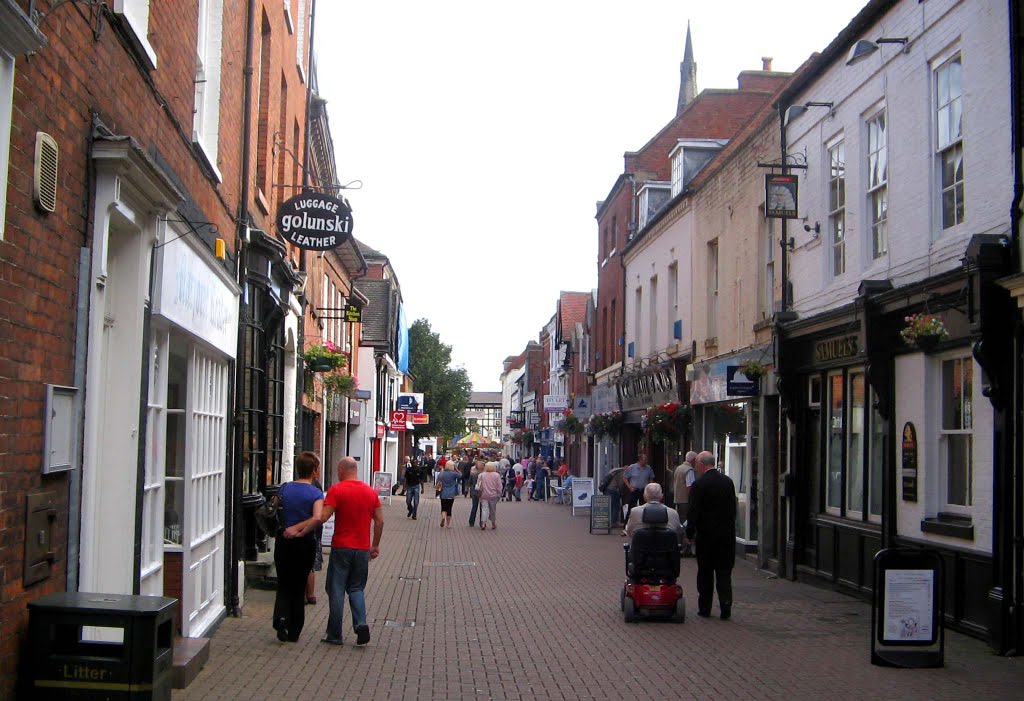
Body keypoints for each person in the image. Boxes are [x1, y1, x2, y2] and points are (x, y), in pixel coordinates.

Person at [289, 456, 383, 647]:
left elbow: (322, 517)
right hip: (362, 548)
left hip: (341, 547)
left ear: (341, 470)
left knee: (336, 589)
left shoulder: (337, 490)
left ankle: (334, 634)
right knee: (356, 588)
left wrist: (300, 528)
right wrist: (375, 545)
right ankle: (360, 623)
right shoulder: (370, 492)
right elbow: (380, 520)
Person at [272, 451, 324, 643]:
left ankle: (281, 619)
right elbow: (318, 517)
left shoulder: (284, 489)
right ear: (315, 471)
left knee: (284, 582)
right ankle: (294, 630)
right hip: (304, 544)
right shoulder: (316, 493)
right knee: (299, 584)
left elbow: (275, 509)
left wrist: (287, 528)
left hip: (283, 542)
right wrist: (302, 531)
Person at [685, 451, 738, 620]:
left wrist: (690, 532)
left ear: (701, 464)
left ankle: (705, 607)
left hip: (706, 536)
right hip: (726, 536)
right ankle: (726, 605)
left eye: (697, 466)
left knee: (705, 572)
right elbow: (733, 509)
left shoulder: (699, 484)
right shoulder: (728, 482)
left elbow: (693, 511)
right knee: (724, 572)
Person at [672, 451, 699, 556]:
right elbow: (690, 487)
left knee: (681, 523)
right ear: (693, 460)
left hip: (678, 499)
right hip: (686, 501)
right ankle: (685, 548)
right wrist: (693, 500)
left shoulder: (679, 468)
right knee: (686, 524)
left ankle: (680, 546)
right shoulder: (689, 470)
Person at [622, 452, 654, 522]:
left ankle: (643, 522)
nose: (646, 461)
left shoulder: (648, 468)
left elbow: (651, 478)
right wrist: (629, 487)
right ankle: (627, 524)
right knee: (631, 508)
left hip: (644, 490)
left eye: (646, 459)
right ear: (640, 460)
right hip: (634, 490)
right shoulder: (632, 467)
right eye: (645, 459)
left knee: (644, 508)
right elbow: (625, 477)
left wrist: (649, 488)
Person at [477, 462, 503, 529]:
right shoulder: (496, 475)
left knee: (484, 509)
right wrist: (499, 494)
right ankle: (493, 523)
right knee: (493, 510)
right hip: (493, 494)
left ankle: (483, 523)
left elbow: (478, 485)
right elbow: (499, 486)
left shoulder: (481, 475)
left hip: (483, 494)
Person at [436, 461, 460, 527]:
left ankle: (443, 517)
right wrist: (456, 469)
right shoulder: (454, 474)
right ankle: (448, 524)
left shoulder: (442, 473)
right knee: (449, 508)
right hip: (451, 493)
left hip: (443, 492)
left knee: (443, 507)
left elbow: (437, 482)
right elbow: (461, 476)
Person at [467, 461, 483, 527]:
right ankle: (482, 522)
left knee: (474, 507)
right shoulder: (483, 474)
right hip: (482, 491)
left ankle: (471, 522)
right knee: (482, 508)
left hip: (474, 491)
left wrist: (468, 489)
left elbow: (469, 482)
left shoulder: (472, 473)